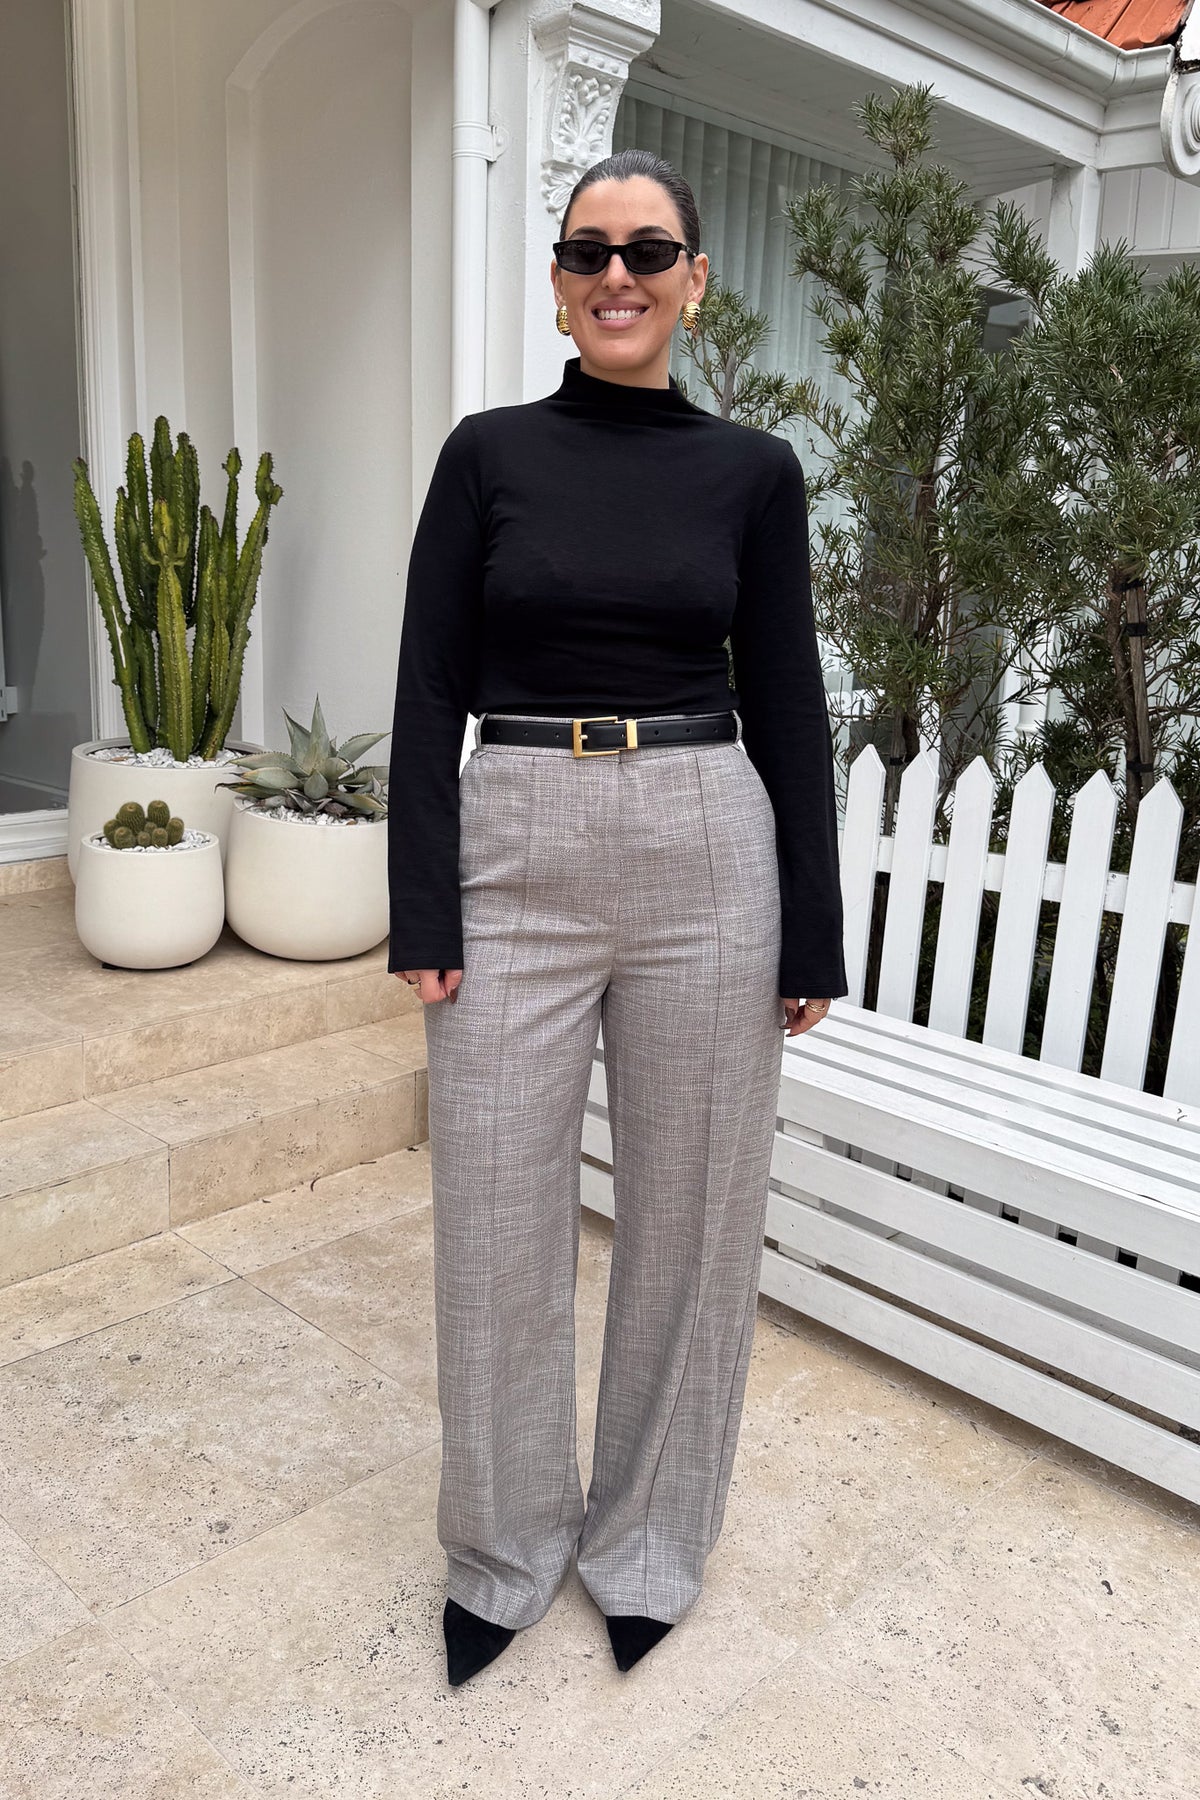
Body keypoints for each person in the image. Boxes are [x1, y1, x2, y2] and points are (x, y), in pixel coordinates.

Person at [386, 147, 847, 1689]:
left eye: (651, 253)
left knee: (695, 1217)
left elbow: (788, 699)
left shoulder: (751, 474)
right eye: (591, 251)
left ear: (697, 281)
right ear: (560, 279)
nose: (620, 278)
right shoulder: (488, 453)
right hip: (515, 835)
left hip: (709, 845)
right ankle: (505, 1548)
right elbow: (429, 687)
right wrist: (423, 903)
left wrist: (812, 931)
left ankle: (649, 1540)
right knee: (498, 1216)